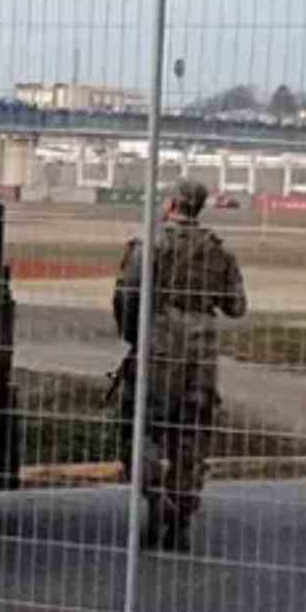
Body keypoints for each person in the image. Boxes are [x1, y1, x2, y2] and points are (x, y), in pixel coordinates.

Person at [112, 180, 248, 551]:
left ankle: (157, 497)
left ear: (172, 204)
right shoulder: (219, 251)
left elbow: (127, 294)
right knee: (191, 436)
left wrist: (134, 335)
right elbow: (237, 306)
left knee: (141, 428)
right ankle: (182, 517)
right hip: (201, 356)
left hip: (158, 349)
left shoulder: (149, 245)